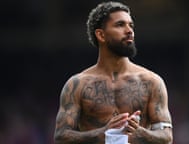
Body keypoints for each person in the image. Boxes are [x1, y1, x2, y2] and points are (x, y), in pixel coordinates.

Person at [54, 1, 173, 144]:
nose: (129, 31)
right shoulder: (77, 85)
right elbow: (61, 137)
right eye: (120, 25)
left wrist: (140, 132)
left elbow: (167, 137)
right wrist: (103, 133)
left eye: (131, 25)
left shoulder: (152, 82)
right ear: (101, 35)